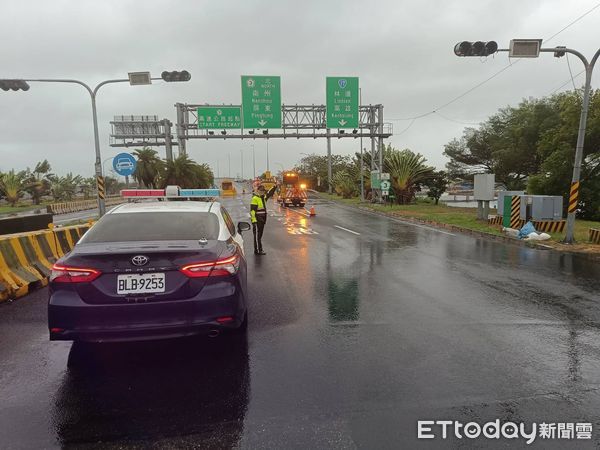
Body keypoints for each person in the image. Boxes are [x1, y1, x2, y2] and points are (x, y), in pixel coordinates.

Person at [250, 184, 277, 255]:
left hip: (262, 219)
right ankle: (258, 250)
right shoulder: (255, 198)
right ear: (258, 191)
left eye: (263, 191)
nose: (262, 192)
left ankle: (259, 250)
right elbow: (252, 211)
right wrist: (254, 220)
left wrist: (275, 187)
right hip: (257, 219)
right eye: (261, 191)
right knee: (257, 236)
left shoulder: (263, 198)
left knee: (260, 235)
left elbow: (269, 193)